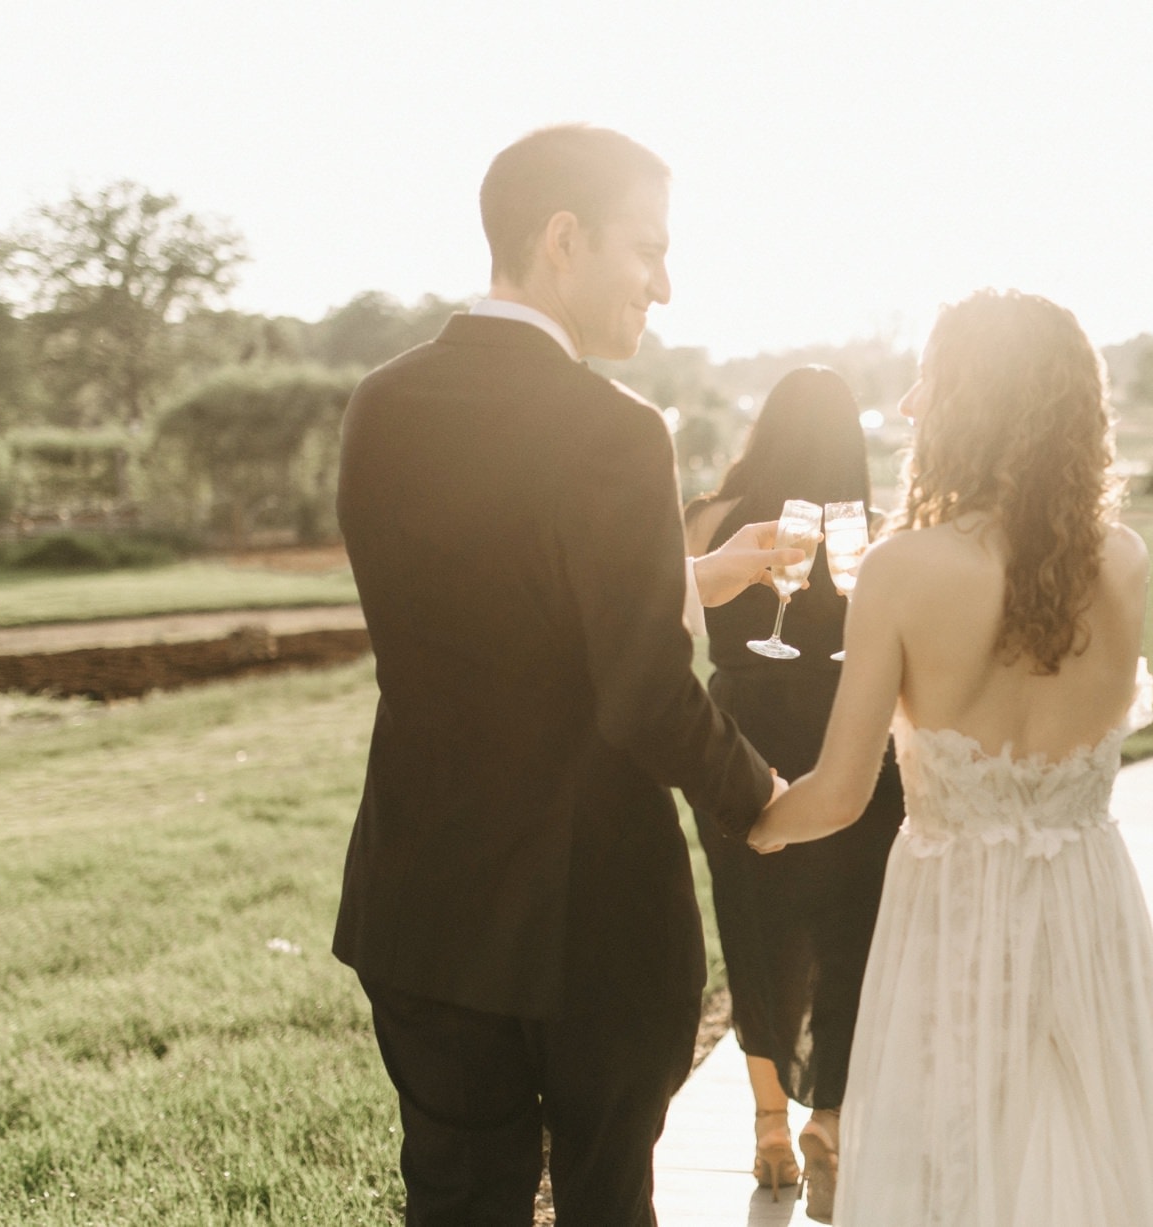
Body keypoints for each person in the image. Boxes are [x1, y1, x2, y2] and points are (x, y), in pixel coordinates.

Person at [332, 124, 805, 1226]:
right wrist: (759, 800)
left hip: (422, 898)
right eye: (647, 248)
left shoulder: (381, 403)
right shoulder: (614, 428)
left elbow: (503, 596)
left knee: (454, 1201)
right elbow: (637, 689)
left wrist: (686, 576)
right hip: (592, 916)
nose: (666, 284)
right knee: (605, 1200)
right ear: (563, 238)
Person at [749, 290, 1153, 1225]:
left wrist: (749, 814)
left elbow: (838, 794)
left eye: (930, 379)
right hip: (1091, 903)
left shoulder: (902, 568)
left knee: (948, 1161)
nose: (911, 405)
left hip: (954, 914)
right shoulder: (1122, 559)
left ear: (973, 402)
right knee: (1093, 1146)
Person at [682, 367, 905, 1220]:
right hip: (852, 740)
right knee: (851, 931)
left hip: (733, 744)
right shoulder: (875, 533)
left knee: (753, 926)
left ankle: (770, 1127)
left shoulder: (705, 519)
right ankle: (831, 1121)